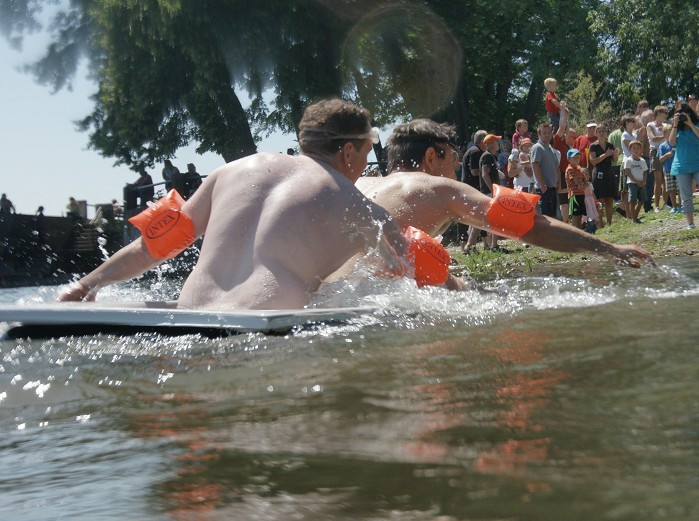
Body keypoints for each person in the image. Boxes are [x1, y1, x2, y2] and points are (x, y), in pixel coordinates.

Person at [58, 98, 413, 309]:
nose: (365, 166)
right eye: (366, 154)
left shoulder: (229, 172)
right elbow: (410, 277)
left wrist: (87, 285)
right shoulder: (366, 210)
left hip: (191, 311)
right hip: (267, 332)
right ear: (348, 150)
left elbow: (156, 245)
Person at [351, 119, 653, 270]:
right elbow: (531, 226)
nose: (457, 167)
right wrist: (610, 249)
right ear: (431, 157)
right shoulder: (438, 188)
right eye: (453, 158)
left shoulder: (360, 186)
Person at [531, 120, 562, 221]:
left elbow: (557, 168)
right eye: (544, 133)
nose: (547, 135)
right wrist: (542, 185)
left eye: (549, 133)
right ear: (539, 134)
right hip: (544, 189)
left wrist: (559, 183)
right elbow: (535, 165)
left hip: (552, 187)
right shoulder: (537, 148)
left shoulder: (551, 149)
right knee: (545, 218)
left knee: (553, 216)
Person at [588, 124, 618, 226]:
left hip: (609, 174)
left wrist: (615, 155)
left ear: (606, 133)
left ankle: (609, 223)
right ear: (596, 133)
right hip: (598, 175)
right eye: (599, 131)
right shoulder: (593, 146)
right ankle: (600, 223)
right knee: (600, 202)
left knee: (609, 200)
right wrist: (605, 155)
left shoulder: (610, 145)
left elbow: (614, 160)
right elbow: (593, 161)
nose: (601, 133)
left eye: (603, 131)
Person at [623, 141, 648, 223]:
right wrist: (635, 181)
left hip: (641, 183)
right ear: (630, 149)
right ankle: (634, 219)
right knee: (632, 201)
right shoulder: (628, 160)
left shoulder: (642, 161)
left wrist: (643, 181)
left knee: (641, 200)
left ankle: (635, 216)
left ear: (641, 150)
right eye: (634, 148)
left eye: (638, 148)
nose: (636, 150)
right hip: (632, 183)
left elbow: (645, 172)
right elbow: (628, 172)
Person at [656, 126, 680, 210]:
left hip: (678, 169)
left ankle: (681, 205)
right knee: (671, 189)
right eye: (668, 133)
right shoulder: (662, 146)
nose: (670, 134)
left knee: (680, 188)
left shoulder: (677, 143)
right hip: (668, 170)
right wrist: (667, 155)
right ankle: (674, 206)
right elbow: (660, 159)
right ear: (664, 134)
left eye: (672, 133)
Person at [564, 148, 589, 230]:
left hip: (581, 194)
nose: (577, 159)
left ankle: (579, 233)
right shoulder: (570, 169)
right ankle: (574, 234)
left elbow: (586, 183)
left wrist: (584, 183)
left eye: (578, 157)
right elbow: (579, 184)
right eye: (574, 158)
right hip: (574, 196)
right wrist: (583, 184)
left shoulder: (579, 169)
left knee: (580, 215)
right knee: (575, 216)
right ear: (569, 159)